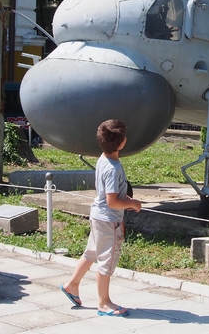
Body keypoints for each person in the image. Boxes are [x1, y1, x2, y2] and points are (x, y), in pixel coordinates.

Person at [59, 119, 141, 316]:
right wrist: (132, 203)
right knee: (107, 259)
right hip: (108, 220)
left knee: (91, 253)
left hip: (97, 215)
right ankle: (104, 303)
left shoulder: (103, 158)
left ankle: (72, 285)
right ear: (122, 143)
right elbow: (112, 201)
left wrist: (125, 198)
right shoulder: (113, 168)